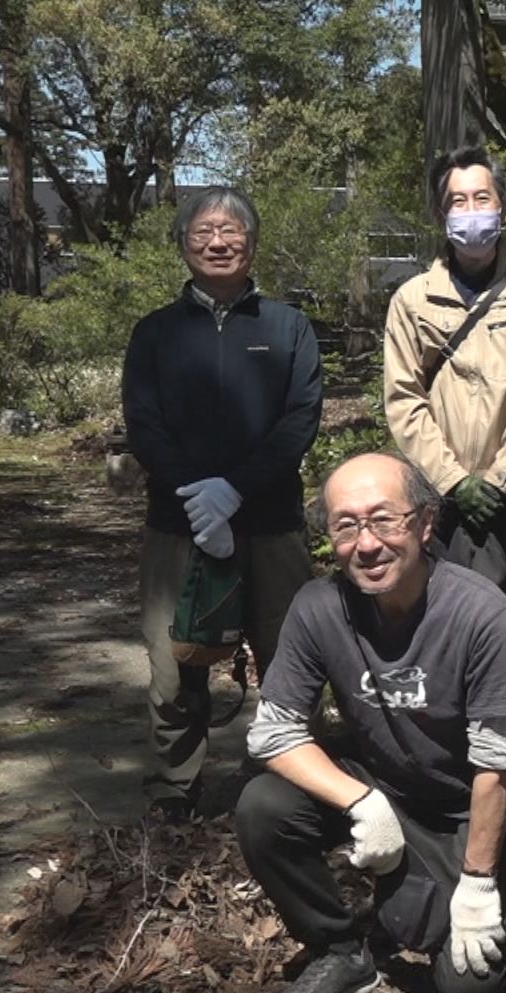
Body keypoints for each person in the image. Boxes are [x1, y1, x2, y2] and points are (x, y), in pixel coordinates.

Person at [233, 452, 506, 993]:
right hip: (380, 783)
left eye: (383, 520)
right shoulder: (319, 608)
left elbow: (497, 764)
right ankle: (340, 950)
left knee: (467, 984)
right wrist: (360, 801)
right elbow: (273, 733)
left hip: (460, 808)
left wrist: (475, 885)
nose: (365, 544)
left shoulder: (480, 614)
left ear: (423, 523)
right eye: (346, 525)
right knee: (263, 806)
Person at [121, 186, 322, 819]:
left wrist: (233, 490)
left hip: (270, 523)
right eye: (203, 231)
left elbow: (300, 421)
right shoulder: (154, 334)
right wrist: (196, 495)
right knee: (173, 667)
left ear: (252, 243)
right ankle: (176, 788)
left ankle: (281, 778)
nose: (217, 241)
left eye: (231, 231)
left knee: (289, 654)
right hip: (176, 527)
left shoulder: (288, 327)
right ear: (183, 243)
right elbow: (144, 425)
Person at [382, 145, 506, 634]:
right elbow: (404, 398)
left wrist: (496, 479)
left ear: (502, 205)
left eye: (482, 198)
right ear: (442, 214)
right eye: (459, 201)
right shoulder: (413, 299)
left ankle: (503, 710)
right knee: (437, 612)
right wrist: (452, 481)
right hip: (437, 491)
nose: (472, 213)